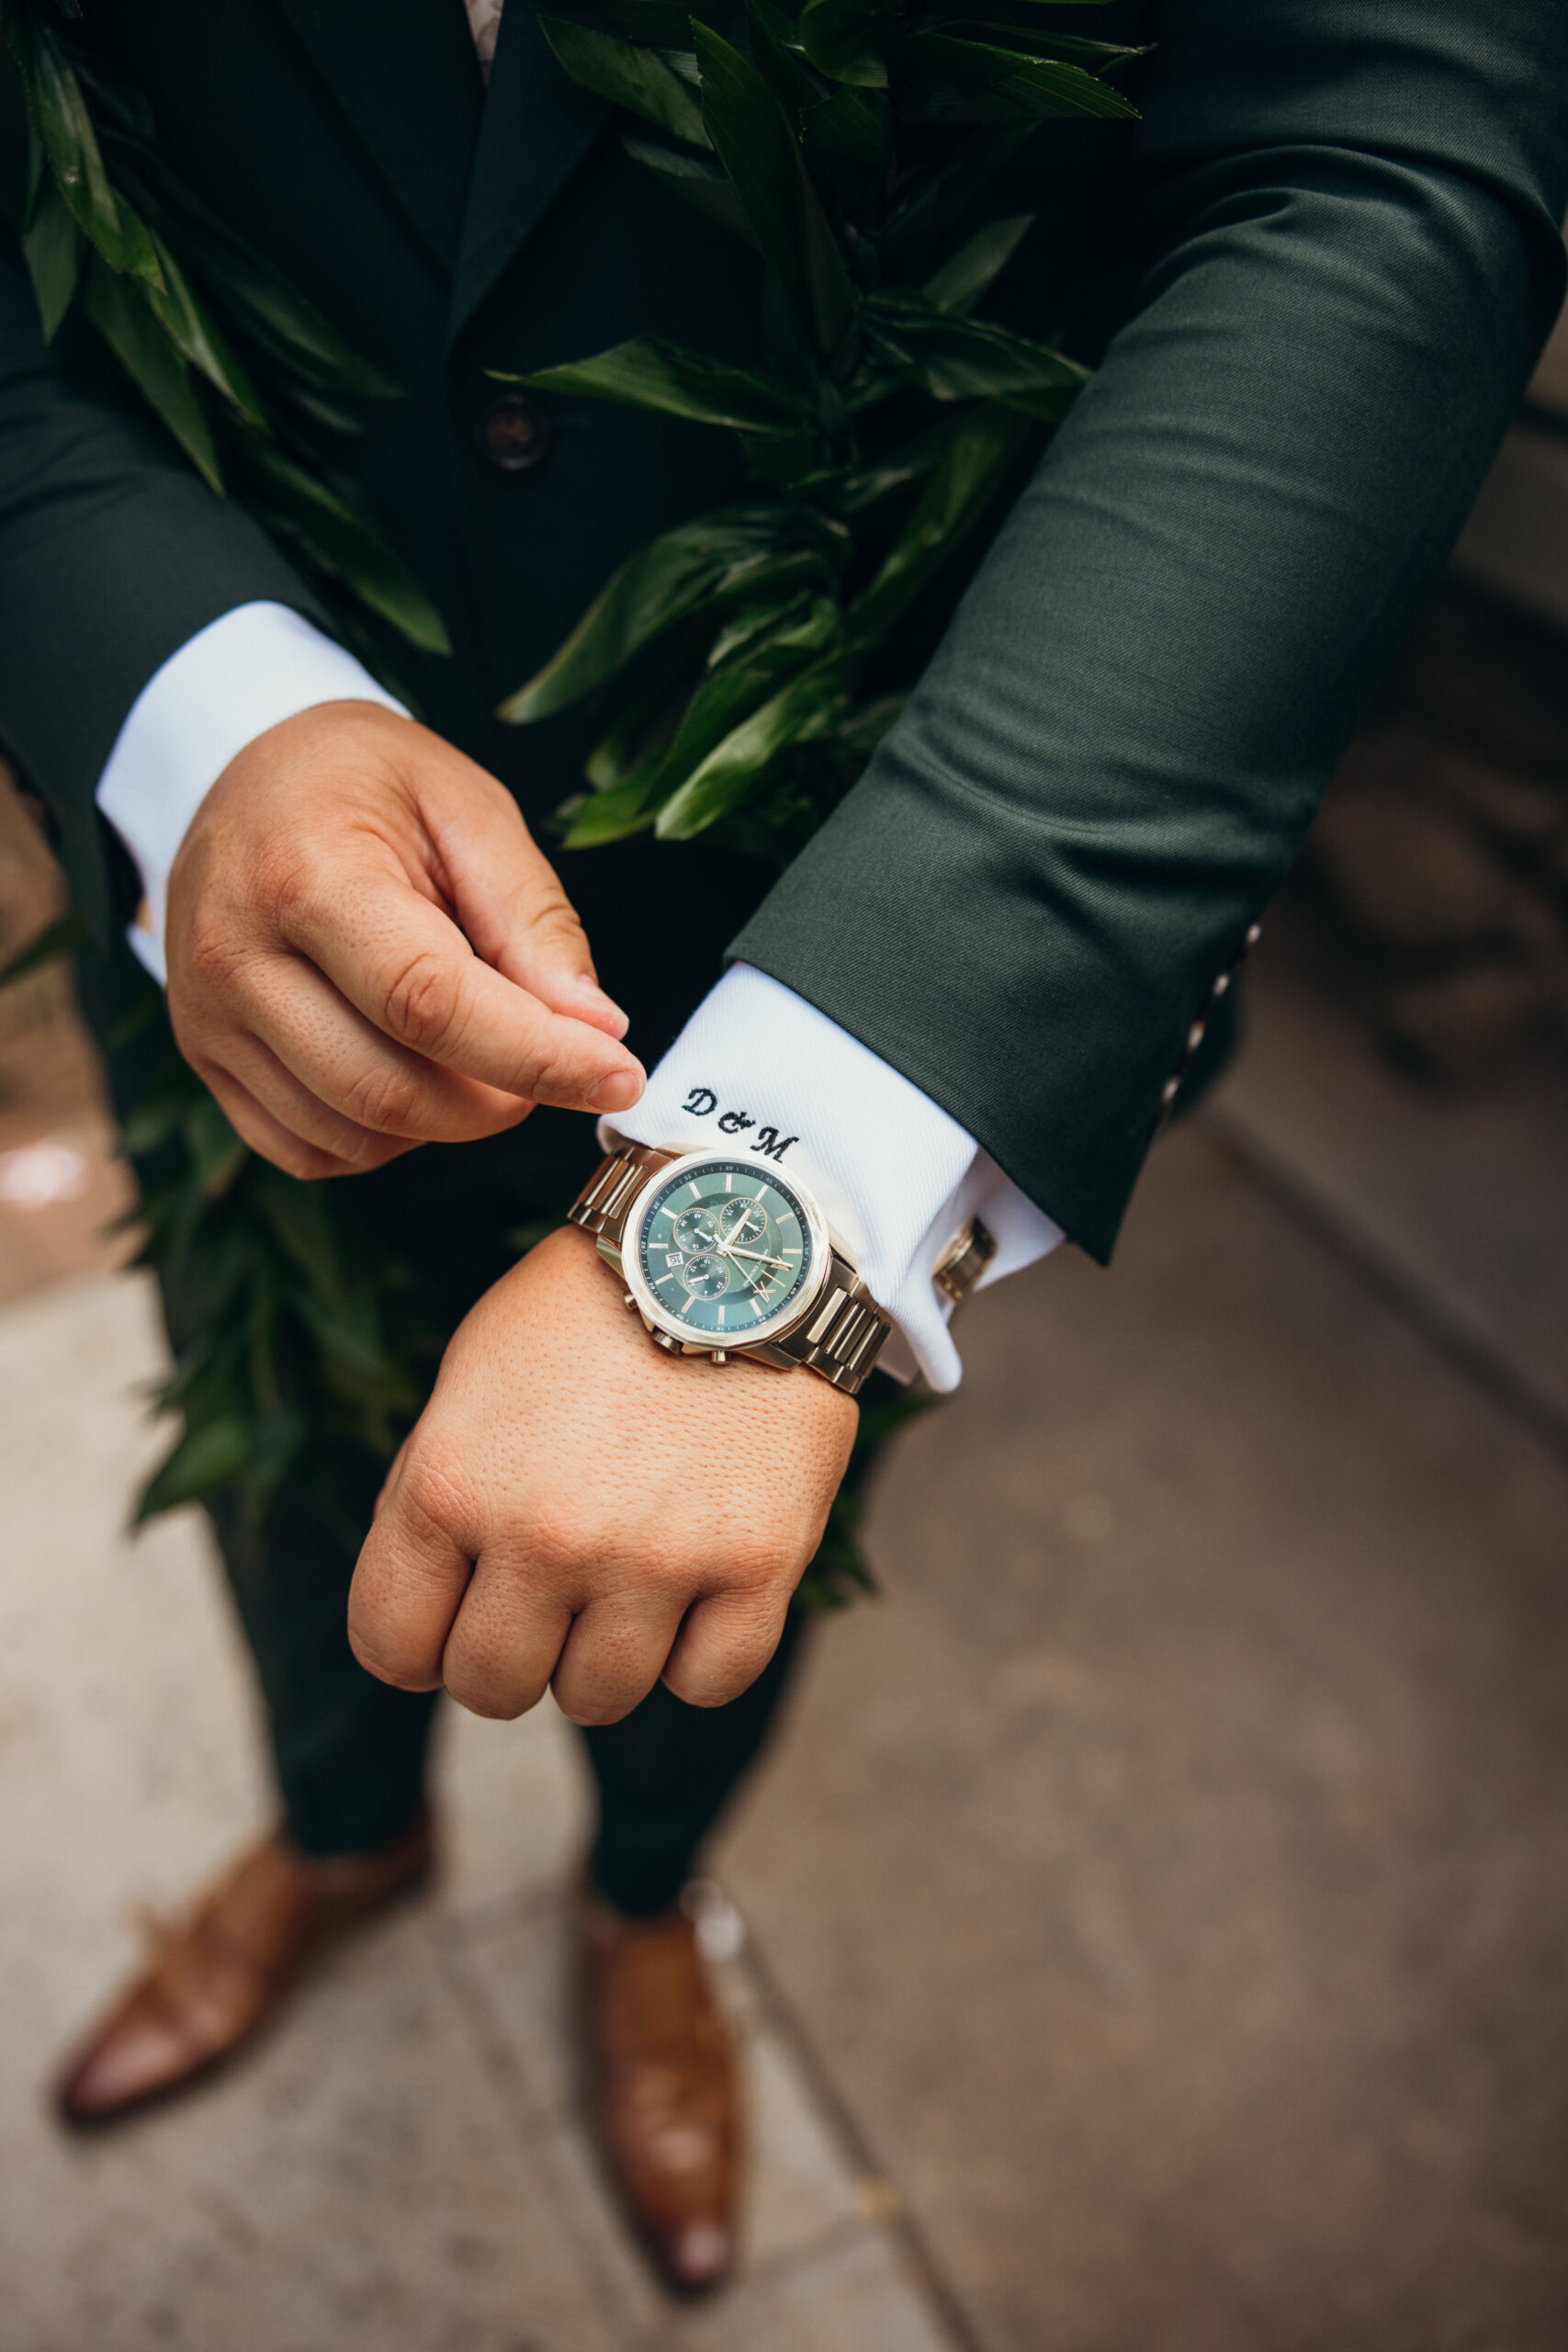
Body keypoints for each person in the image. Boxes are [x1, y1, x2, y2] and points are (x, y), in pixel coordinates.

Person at [2, 0, 1563, 2301]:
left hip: (856, 864)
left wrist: (825, 1134)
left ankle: (645, 1904)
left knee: (724, 1571)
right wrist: (185, 700)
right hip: (237, 884)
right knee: (277, 1453)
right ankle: (339, 1839)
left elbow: (1379, 137)